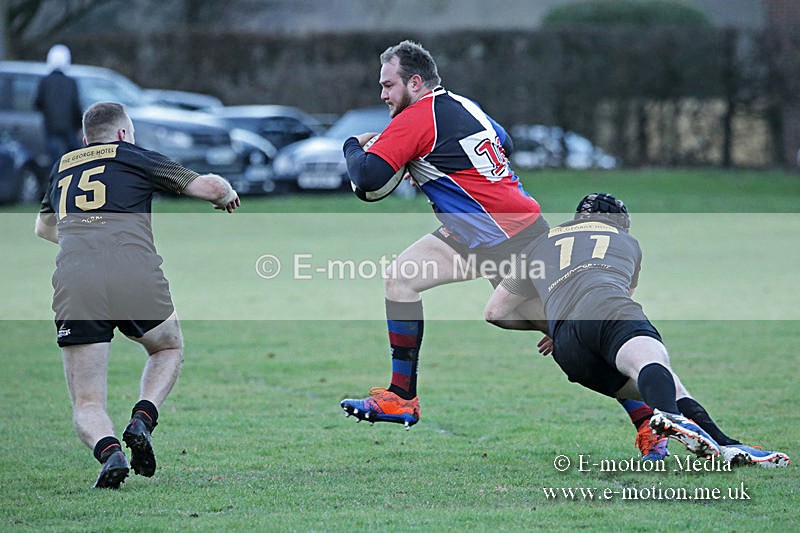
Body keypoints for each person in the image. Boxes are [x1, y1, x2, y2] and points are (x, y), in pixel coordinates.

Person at [483, 193, 790, 467]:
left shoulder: (540, 244)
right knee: (652, 365)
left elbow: (495, 312)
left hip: (568, 349)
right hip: (607, 307)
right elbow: (622, 294)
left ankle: (725, 446)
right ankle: (671, 418)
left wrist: (553, 323)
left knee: (662, 387)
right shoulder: (626, 241)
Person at [339, 40, 549, 429]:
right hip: (478, 234)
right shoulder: (462, 104)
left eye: (389, 85)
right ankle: (402, 397)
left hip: (513, 238)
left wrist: (352, 144)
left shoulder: (417, 118)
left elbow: (367, 179)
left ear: (415, 83)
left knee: (569, 336)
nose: (383, 94)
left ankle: (656, 415)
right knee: (400, 278)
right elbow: (505, 141)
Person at [34, 101, 240, 488]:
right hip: (133, 271)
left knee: (87, 402)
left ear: (85, 139)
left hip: (76, 279)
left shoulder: (63, 166)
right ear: (124, 134)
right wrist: (225, 193)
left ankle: (110, 451)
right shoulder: (134, 155)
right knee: (167, 347)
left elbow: (43, 229)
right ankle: (142, 420)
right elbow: (208, 186)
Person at [35, 44, 83, 166]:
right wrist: (79, 125)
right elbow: (76, 106)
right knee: (74, 161)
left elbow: (37, 103)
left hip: (51, 128)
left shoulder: (45, 81)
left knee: (55, 162)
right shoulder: (71, 82)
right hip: (70, 128)